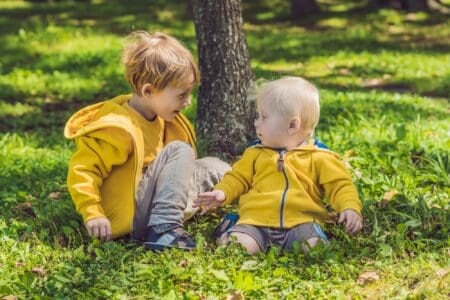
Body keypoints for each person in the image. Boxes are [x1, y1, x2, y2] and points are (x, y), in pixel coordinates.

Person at [64, 30, 230, 250]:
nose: (188, 102)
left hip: (153, 199)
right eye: (181, 95)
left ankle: (255, 210)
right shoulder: (119, 127)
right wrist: (92, 213)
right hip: (130, 214)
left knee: (217, 168)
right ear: (149, 91)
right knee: (179, 150)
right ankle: (163, 228)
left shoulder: (162, 117)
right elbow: (83, 170)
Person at [194, 76, 363, 254]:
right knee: (237, 248)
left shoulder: (320, 157)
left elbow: (340, 185)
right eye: (258, 116)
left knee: (317, 248)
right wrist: (222, 192)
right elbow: (237, 178)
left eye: (263, 117)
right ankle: (231, 227)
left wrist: (350, 207)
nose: (256, 122)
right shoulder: (254, 153)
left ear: (292, 125)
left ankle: (308, 240)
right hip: (255, 222)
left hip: (303, 222)